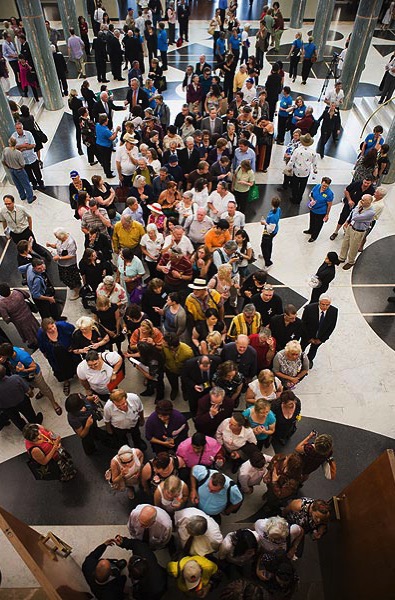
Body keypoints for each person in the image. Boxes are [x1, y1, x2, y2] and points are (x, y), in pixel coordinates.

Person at [0, 365, 43, 431]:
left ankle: (24, 429)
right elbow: (28, 390)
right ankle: (35, 423)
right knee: (29, 414)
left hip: (7, 407)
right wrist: (31, 394)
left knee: (16, 419)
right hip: (22, 401)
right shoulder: (15, 378)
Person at [339, 194, 375, 270]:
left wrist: (357, 206)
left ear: (369, 202)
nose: (361, 201)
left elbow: (355, 217)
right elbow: (352, 213)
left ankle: (351, 261)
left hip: (358, 231)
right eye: (361, 199)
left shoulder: (370, 212)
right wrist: (348, 221)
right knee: (345, 243)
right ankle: (342, 258)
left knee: (353, 247)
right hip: (351, 227)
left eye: (363, 200)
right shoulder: (362, 206)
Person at [302, 295, 338, 368]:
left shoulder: (334, 311)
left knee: (314, 349)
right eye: (323, 304)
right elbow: (303, 324)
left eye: (327, 305)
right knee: (302, 347)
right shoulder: (309, 309)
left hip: (320, 337)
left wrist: (322, 339)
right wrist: (309, 337)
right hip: (308, 335)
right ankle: (298, 360)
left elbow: (331, 327)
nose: (325, 307)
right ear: (319, 303)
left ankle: (309, 360)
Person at [0, 283, 39, 349]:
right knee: (35, 327)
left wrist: (10, 319)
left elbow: (6, 318)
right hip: (28, 314)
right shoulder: (17, 292)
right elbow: (27, 295)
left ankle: (34, 343)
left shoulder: (2, 303)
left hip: (19, 321)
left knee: (27, 333)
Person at [1, 136, 36, 204]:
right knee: (26, 184)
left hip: (11, 170)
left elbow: (2, 161)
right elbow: (22, 164)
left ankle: (22, 196)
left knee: (18, 184)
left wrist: (8, 166)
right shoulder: (18, 153)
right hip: (19, 170)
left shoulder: (5, 150)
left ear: (9, 143)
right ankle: (30, 198)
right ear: (16, 143)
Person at [12, 121, 45, 190]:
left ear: (22, 128)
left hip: (32, 158)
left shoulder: (28, 134)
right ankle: (34, 184)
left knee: (37, 173)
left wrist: (22, 148)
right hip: (23, 160)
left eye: (20, 128)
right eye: (17, 128)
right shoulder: (13, 137)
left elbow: (33, 145)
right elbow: (13, 148)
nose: (19, 130)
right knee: (29, 174)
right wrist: (24, 145)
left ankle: (40, 183)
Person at [287, 133, 317, 205]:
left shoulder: (297, 150)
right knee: (303, 186)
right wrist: (315, 170)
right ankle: (299, 198)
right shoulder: (313, 152)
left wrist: (289, 167)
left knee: (295, 185)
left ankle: (294, 198)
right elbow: (315, 162)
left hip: (297, 170)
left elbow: (292, 160)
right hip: (306, 172)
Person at [303, 177, 334, 242]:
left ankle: (314, 236)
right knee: (312, 221)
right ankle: (310, 230)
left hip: (321, 212)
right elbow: (311, 194)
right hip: (313, 209)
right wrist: (312, 200)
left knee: (318, 225)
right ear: (321, 182)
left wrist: (327, 214)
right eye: (323, 185)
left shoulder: (329, 194)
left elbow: (329, 205)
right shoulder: (317, 186)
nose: (324, 187)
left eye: (326, 186)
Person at [260, 196, 281, 268]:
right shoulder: (278, 209)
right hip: (274, 230)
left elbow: (270, 229)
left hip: (269, 233)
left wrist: (264, 223)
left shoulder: (273, 217)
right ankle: (265, 255)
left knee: (265, 246)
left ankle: (268, 262)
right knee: (267, 245)